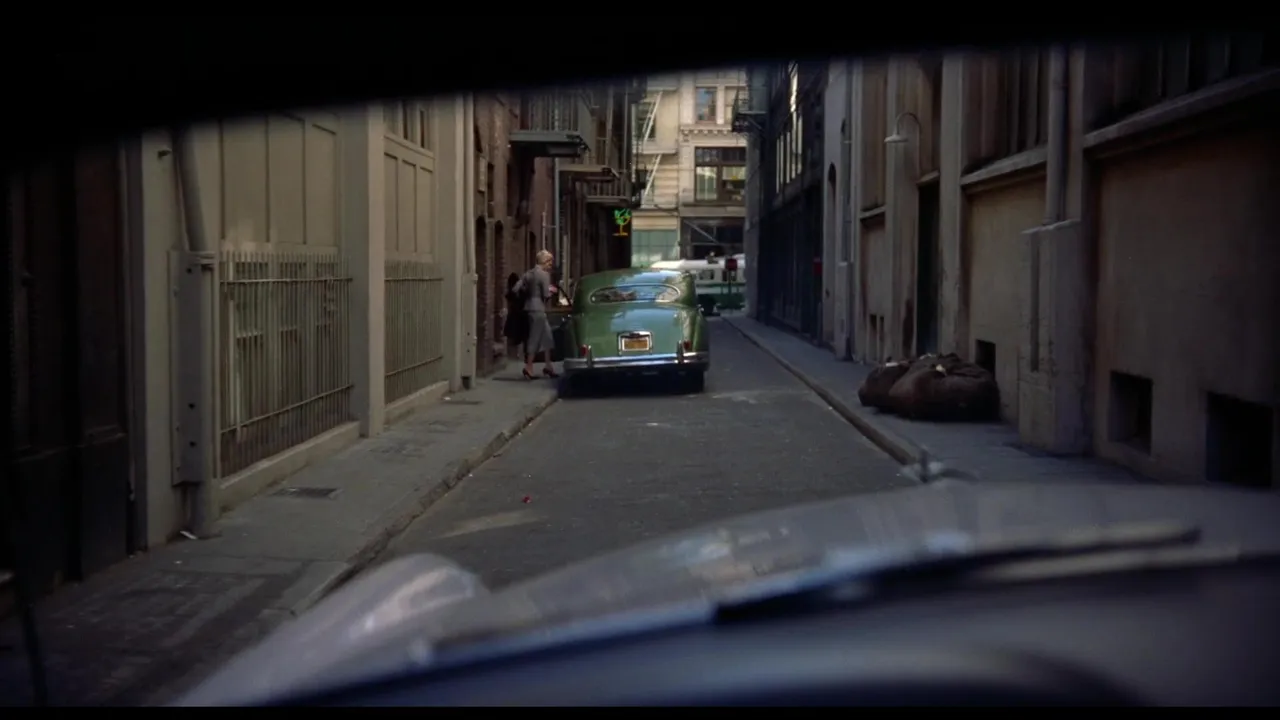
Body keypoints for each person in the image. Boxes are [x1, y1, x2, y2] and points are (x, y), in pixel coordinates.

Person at [516, 250, 559, 380]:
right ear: (545, 261)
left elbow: (515, 289)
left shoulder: (528, 273)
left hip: (529, 308)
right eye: (550, 261)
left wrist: (528, 293)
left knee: (547, 337)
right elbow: (545, 295)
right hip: (538, 309)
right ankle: (528, 367)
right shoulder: (544, 275)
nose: (551, 264)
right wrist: (552, 291)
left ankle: (548, 366)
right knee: (534, 338)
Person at [502, 272, 529, 362]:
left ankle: (513, 357)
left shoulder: (512, 293)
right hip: (521, 318)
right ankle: (519, 357)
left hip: (514, 319)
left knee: (513, 339)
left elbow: (509, 298)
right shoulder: (522, 292)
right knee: (521, 339)